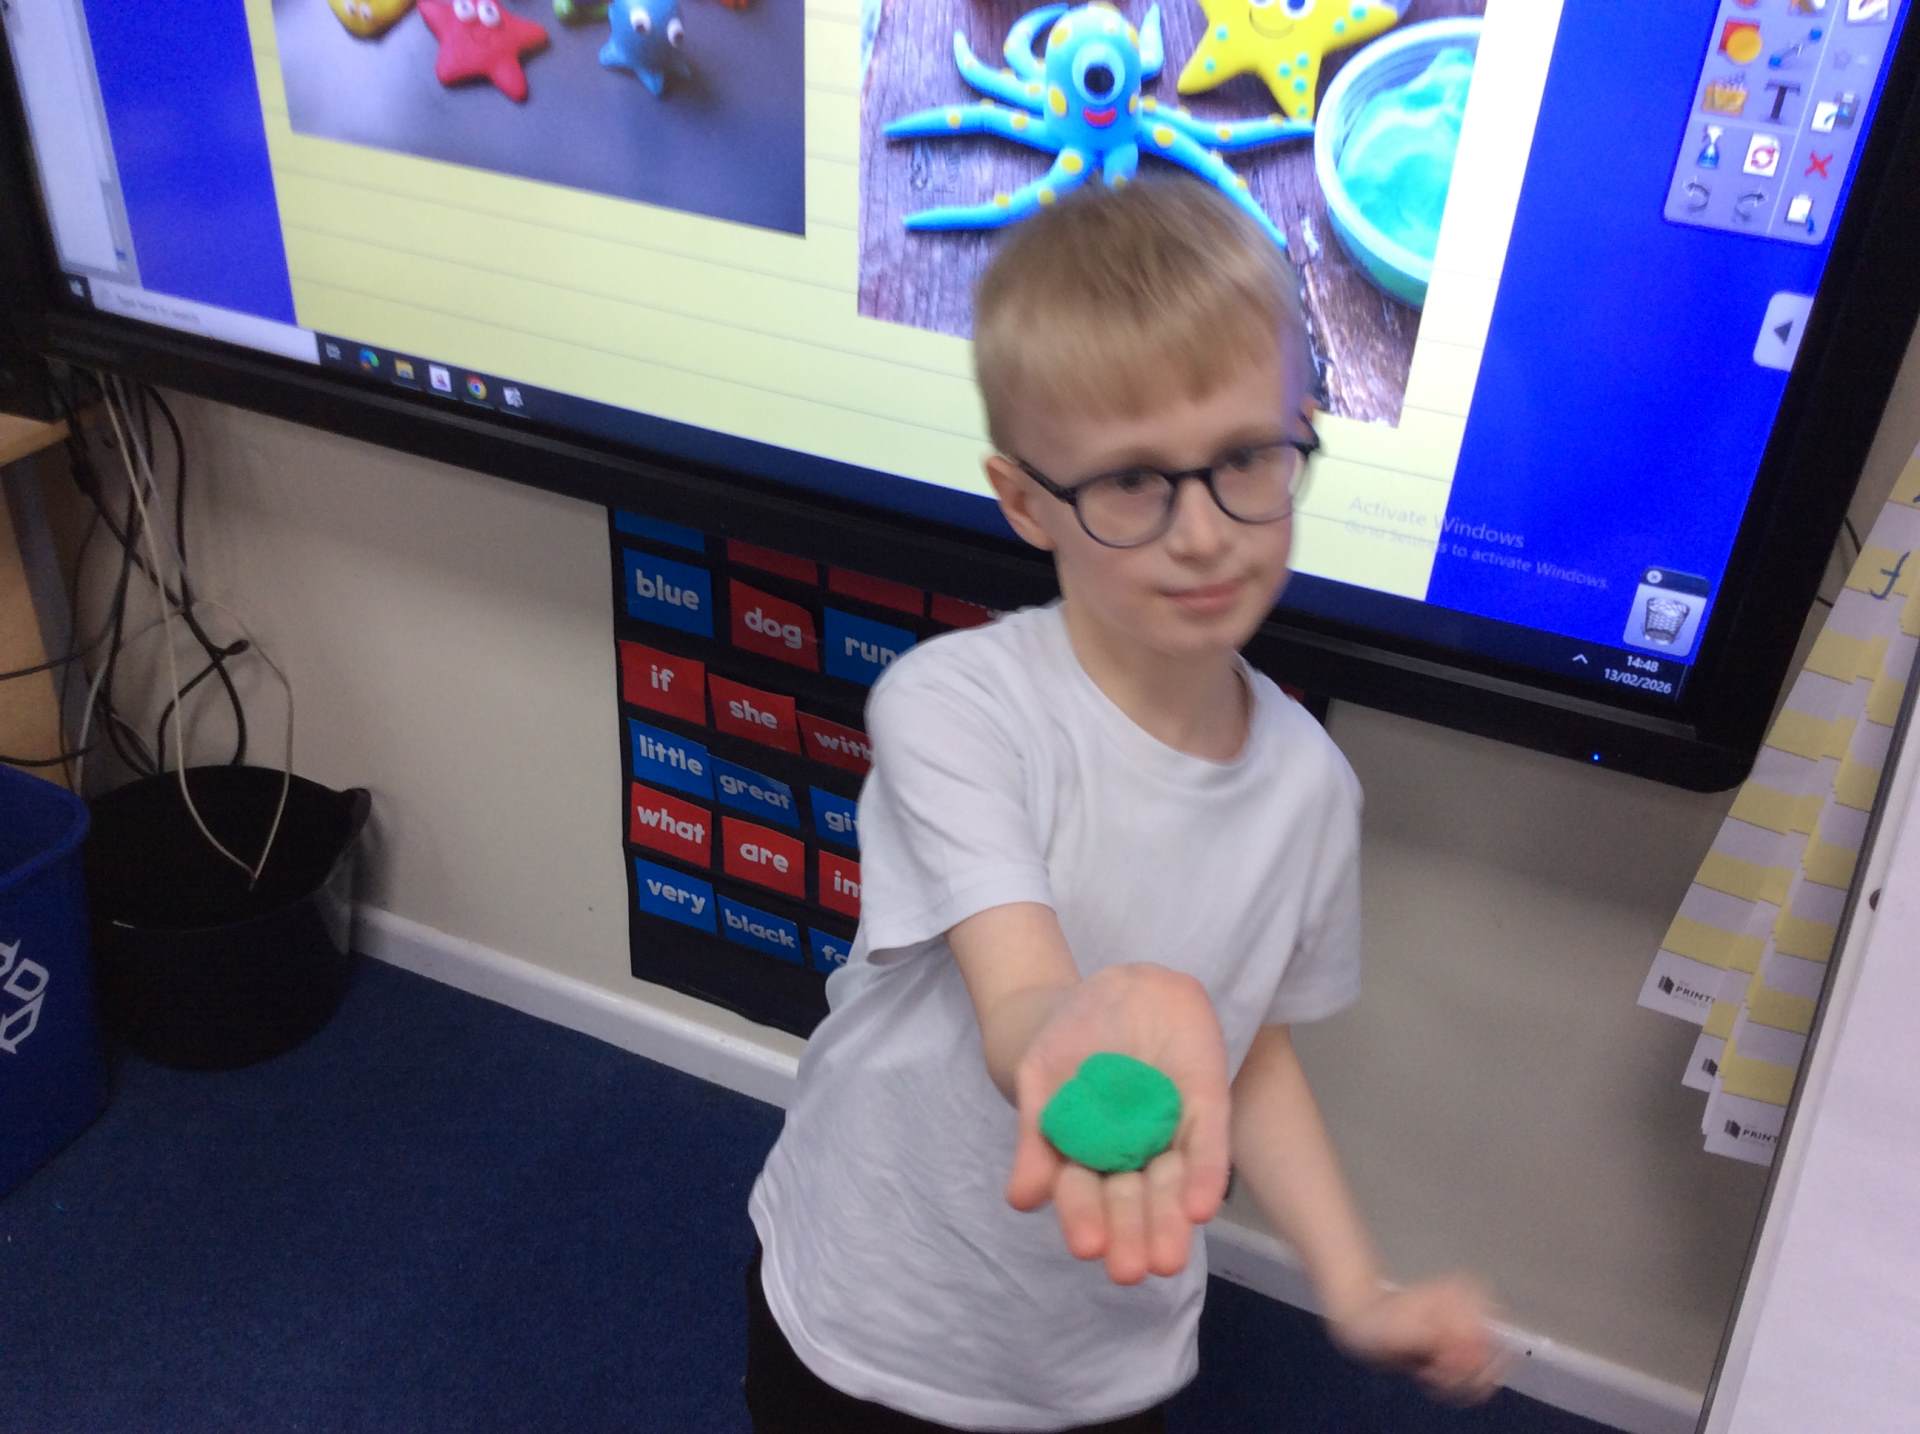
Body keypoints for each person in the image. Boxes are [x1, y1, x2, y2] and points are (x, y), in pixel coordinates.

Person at [745, 175, 1501, 1433]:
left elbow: (1255, 1051)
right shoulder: (956, 707)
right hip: (876, 1301)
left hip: (1104, 1340)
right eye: (1133, 481)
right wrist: (1087, 1018)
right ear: (1026, 501)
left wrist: (1355, 1289)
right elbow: (1021, 996)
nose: (1202, 534)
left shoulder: (1312, 789)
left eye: (1244, 458)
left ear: (1302, 432)